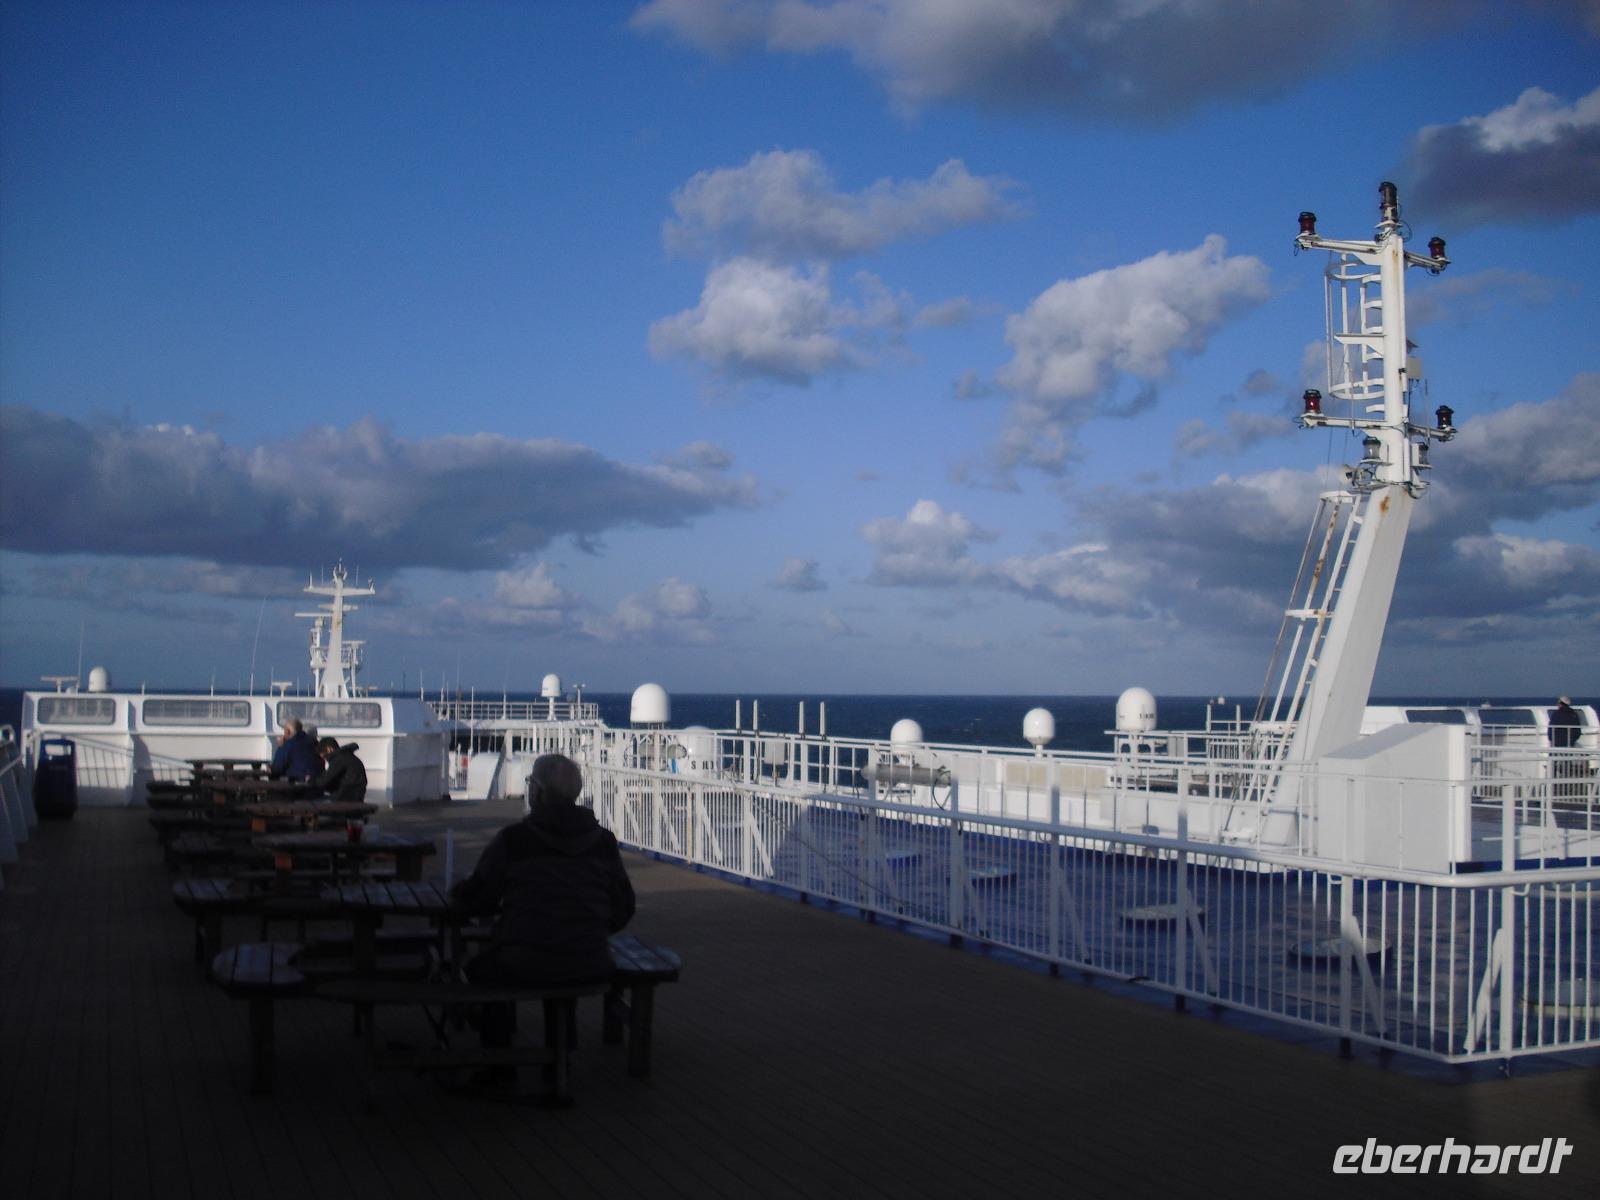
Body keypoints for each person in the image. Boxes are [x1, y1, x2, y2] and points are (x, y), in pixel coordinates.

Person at [450, 753, 635, 1068]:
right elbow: (624, 906)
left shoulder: (515, 840)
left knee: (481, 970)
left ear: (536, 791)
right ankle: (559, 1059)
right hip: (590, 959)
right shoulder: (603, 842)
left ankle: (498, 1065)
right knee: (563, 959)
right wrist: (590, 927)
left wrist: (460, 893)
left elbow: (480, 900)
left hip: (523, 959)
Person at [314, 736, 368, 804]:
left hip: (345, 799)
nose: (325, 759)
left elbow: (324, 781)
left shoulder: (339, 760)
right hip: (355, 798)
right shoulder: (348, 757)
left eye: (324, 756)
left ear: (329, 749)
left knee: (313, 803)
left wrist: (312, 781)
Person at [269, 717, 321, 782]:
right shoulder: (313, 743)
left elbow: (277, 768)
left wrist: (280, 747)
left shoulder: (287, 745)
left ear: (287, 731)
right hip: (317, 782)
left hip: (298, 782)